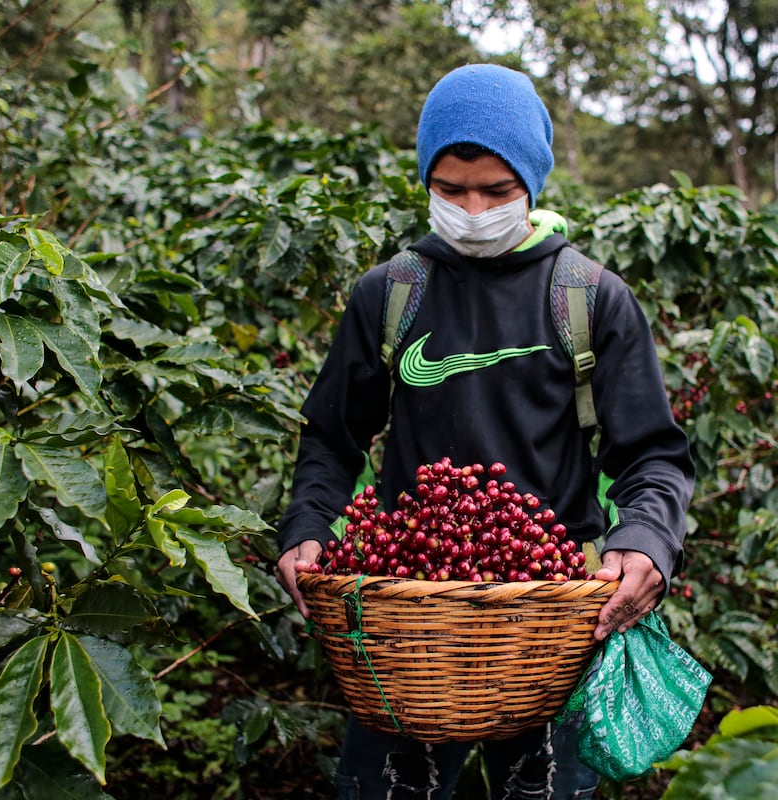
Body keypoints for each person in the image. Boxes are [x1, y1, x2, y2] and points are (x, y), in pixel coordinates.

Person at [274, 63, 695, 800]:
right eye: (451, 189)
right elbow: (332, 436)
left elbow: (652, 454)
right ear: (426, 180)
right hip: (407, 614)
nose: (472, 209)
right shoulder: (392, 293)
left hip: (549, 618)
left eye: (497, 191)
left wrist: (646, 544)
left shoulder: (589, 298)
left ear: (532, 181)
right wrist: (308, 524)